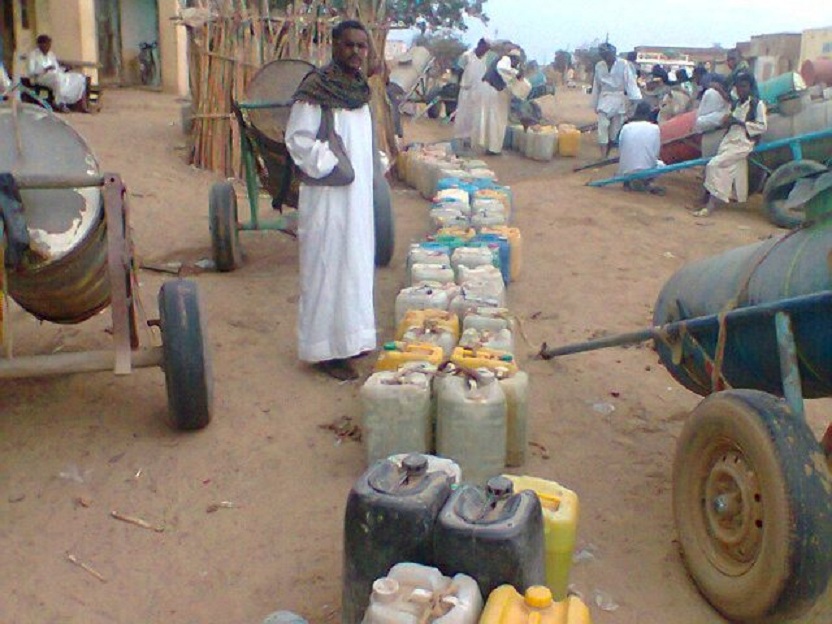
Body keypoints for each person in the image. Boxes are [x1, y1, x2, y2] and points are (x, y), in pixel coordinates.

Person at [284, 20, 377, 381]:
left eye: (361, 46)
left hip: (357, 201)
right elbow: (298, 140)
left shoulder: (360, 92)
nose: (355, 52)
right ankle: (325, 351)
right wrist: (330, 164)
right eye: (349, 45)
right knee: (326, 269)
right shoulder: (316, 89)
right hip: (327, 199)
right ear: (334, 45)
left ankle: (352, 339)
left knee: (354, 267)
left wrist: (372, 165)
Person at [695, 72, 767, 217]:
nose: (741, 90)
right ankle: (711, 200)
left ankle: (710, 206)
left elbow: (762, 126)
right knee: (722, 169)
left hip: (743, 143)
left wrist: (740, 123)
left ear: (750, 88)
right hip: (729, 140)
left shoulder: (757, 104)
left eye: (744, 87)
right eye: (738, 87)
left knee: (714, 165)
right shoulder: (736, 104)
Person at [591, 42, 642, 158]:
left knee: (615, 130)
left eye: (609, 55)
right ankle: (603, 155)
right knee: (603, 126)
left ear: (613, 54)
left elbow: (630, 82)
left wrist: (635, 99)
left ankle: (609, 152)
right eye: (604, 55)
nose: (607, 57)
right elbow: (596, 85)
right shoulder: (599, 66)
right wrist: (595, 102)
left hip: (619, 98)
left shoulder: (623, 64)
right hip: (604, 99)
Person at [472, 47, 523, 155]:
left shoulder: (501, 59)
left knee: (489, 117)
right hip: (494, 91)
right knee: (497, 119)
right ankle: (493, 148)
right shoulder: (506, 59)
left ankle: (488, 146)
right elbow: (502, 69)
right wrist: (516, 73)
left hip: (488, 90)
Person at [27, 34, 88, 113]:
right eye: (46, 44)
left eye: (49, 45)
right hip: (40, 77)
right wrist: (44, 69)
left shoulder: (51, 55)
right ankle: (59, 102)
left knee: (79, 77)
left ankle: (81, 104)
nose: (48, 47)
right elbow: (31, 72)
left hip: (55, 75)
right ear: (40, 44)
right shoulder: (33, 55)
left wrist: (65, 69)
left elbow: (57, 68)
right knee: (57, 78)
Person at [617, 100, 665, 194]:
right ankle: (646, 181)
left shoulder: (626, 127)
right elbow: (656, 152)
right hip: (646, 171)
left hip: (626, 171)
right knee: (661, 165)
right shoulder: (655, 128)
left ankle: (628, 182)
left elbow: (621, 147)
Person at [453, 38, 490, 154]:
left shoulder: (486, 59)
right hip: (466, 90)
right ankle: (459, 140)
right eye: (484, 48)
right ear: (479, 45)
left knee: (475, 117)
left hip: (479, 92)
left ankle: (469, 142)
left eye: (487, 49)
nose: (484, 51)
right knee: (462, 116)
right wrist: (459, 85)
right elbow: (458, 71)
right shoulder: (467, 56)